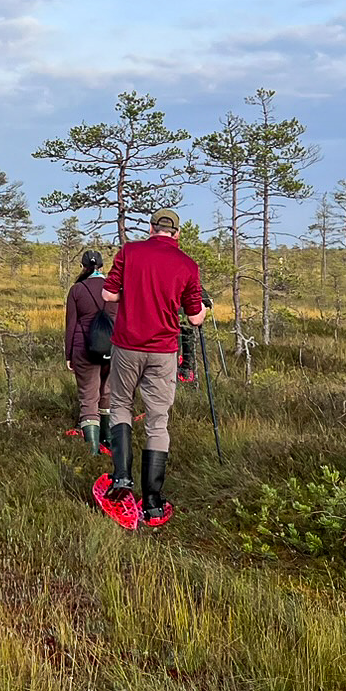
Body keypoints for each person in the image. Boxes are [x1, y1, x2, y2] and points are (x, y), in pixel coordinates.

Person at [94, 209, 207, 530]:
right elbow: (195, 317)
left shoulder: (130, 252)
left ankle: (122, 477)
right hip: (163, 351)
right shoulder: (187, 265)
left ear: (151, 228)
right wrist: (200, 307)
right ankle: (154, 503)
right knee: (158, 421)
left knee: (121, 408)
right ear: (177, 233)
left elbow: (108, 293)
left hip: (127, 345)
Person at [63, 249, 113, 456]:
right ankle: (109, 441)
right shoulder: (115, 288)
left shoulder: (77, 290)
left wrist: (69, 355)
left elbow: (71, 325)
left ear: (83, 267)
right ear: (102, 266)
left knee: (88, 398)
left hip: (84, 349)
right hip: (114, 347)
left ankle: (92, 452)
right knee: (108, 393)